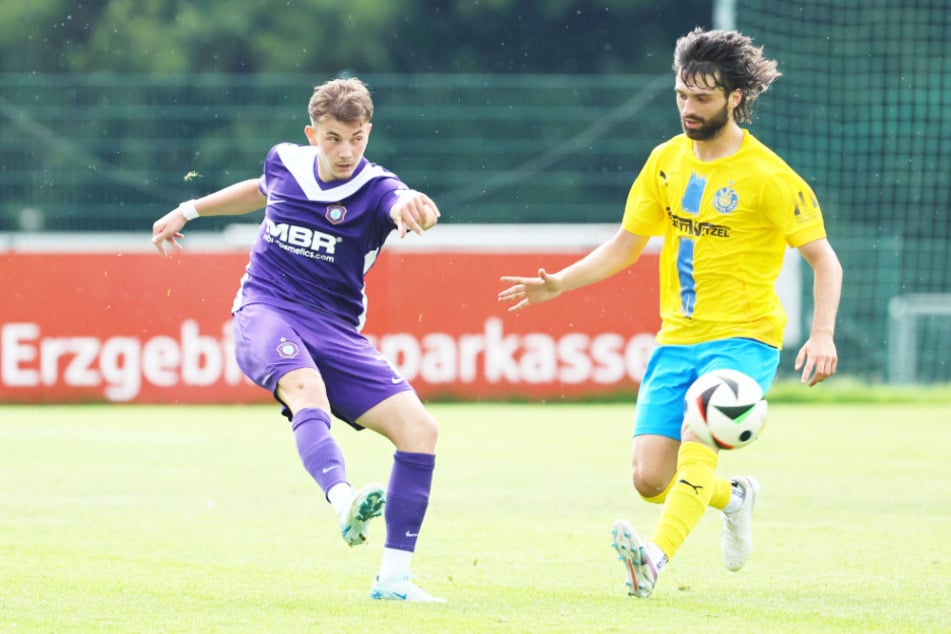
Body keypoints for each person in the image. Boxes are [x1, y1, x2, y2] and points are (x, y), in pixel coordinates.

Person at [498, 27, 842, 598]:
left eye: (702, 98)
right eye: (682, 94)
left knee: (697, 437)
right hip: (677, 340)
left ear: (734, 98)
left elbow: (825, 262)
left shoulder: (771, 178)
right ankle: (735, 498)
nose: (688, 107)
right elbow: (625, 246)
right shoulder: (665, 162)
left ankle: (652, 561)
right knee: (650, 479)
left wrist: (823, 334)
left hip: (744, 341)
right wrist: (558, 284)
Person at [151, 77, 446, 603]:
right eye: (334, 138)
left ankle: (395, 579)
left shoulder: (379, 188)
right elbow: (258, 190)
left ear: (368, 132)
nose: (346, 151)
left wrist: (414, 208)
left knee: (421, 430)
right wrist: (189, 209)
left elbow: (407, 203)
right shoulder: (283, 161)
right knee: (307, 389)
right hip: (266, 309)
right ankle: (343, 501)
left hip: (336, 328)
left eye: (356, 138)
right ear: (312, 134)